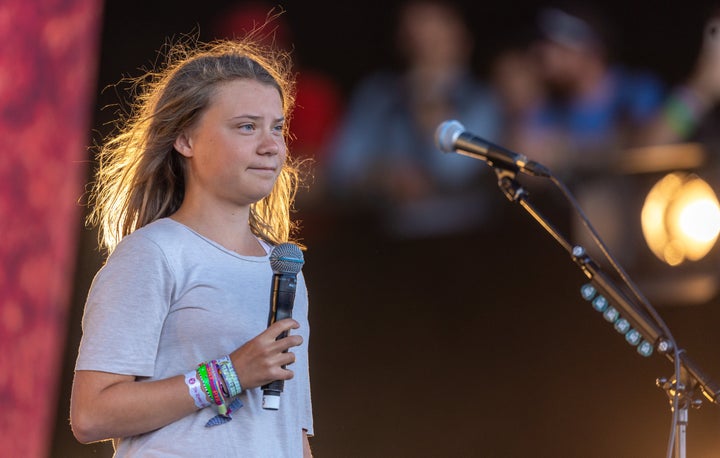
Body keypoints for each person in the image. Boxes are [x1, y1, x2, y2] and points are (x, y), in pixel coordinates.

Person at [69, 34, 314, 457]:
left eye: (277, 127)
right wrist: (229, 375)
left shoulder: (283, 267)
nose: (272, 145)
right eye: (246, 126)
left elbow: (291, 430)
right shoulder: (154, 253)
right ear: (185, 141)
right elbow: (91, 414)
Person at [323, 0, 501, 239]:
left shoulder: (482, 100)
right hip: (386, 241)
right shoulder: (378, 94)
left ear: (461, 36)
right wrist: (385, 177)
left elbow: (454, 170)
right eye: (414, 32)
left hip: (465, 239)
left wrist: (428, 101)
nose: (423, 42)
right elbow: (340, 168)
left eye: (434, 35)